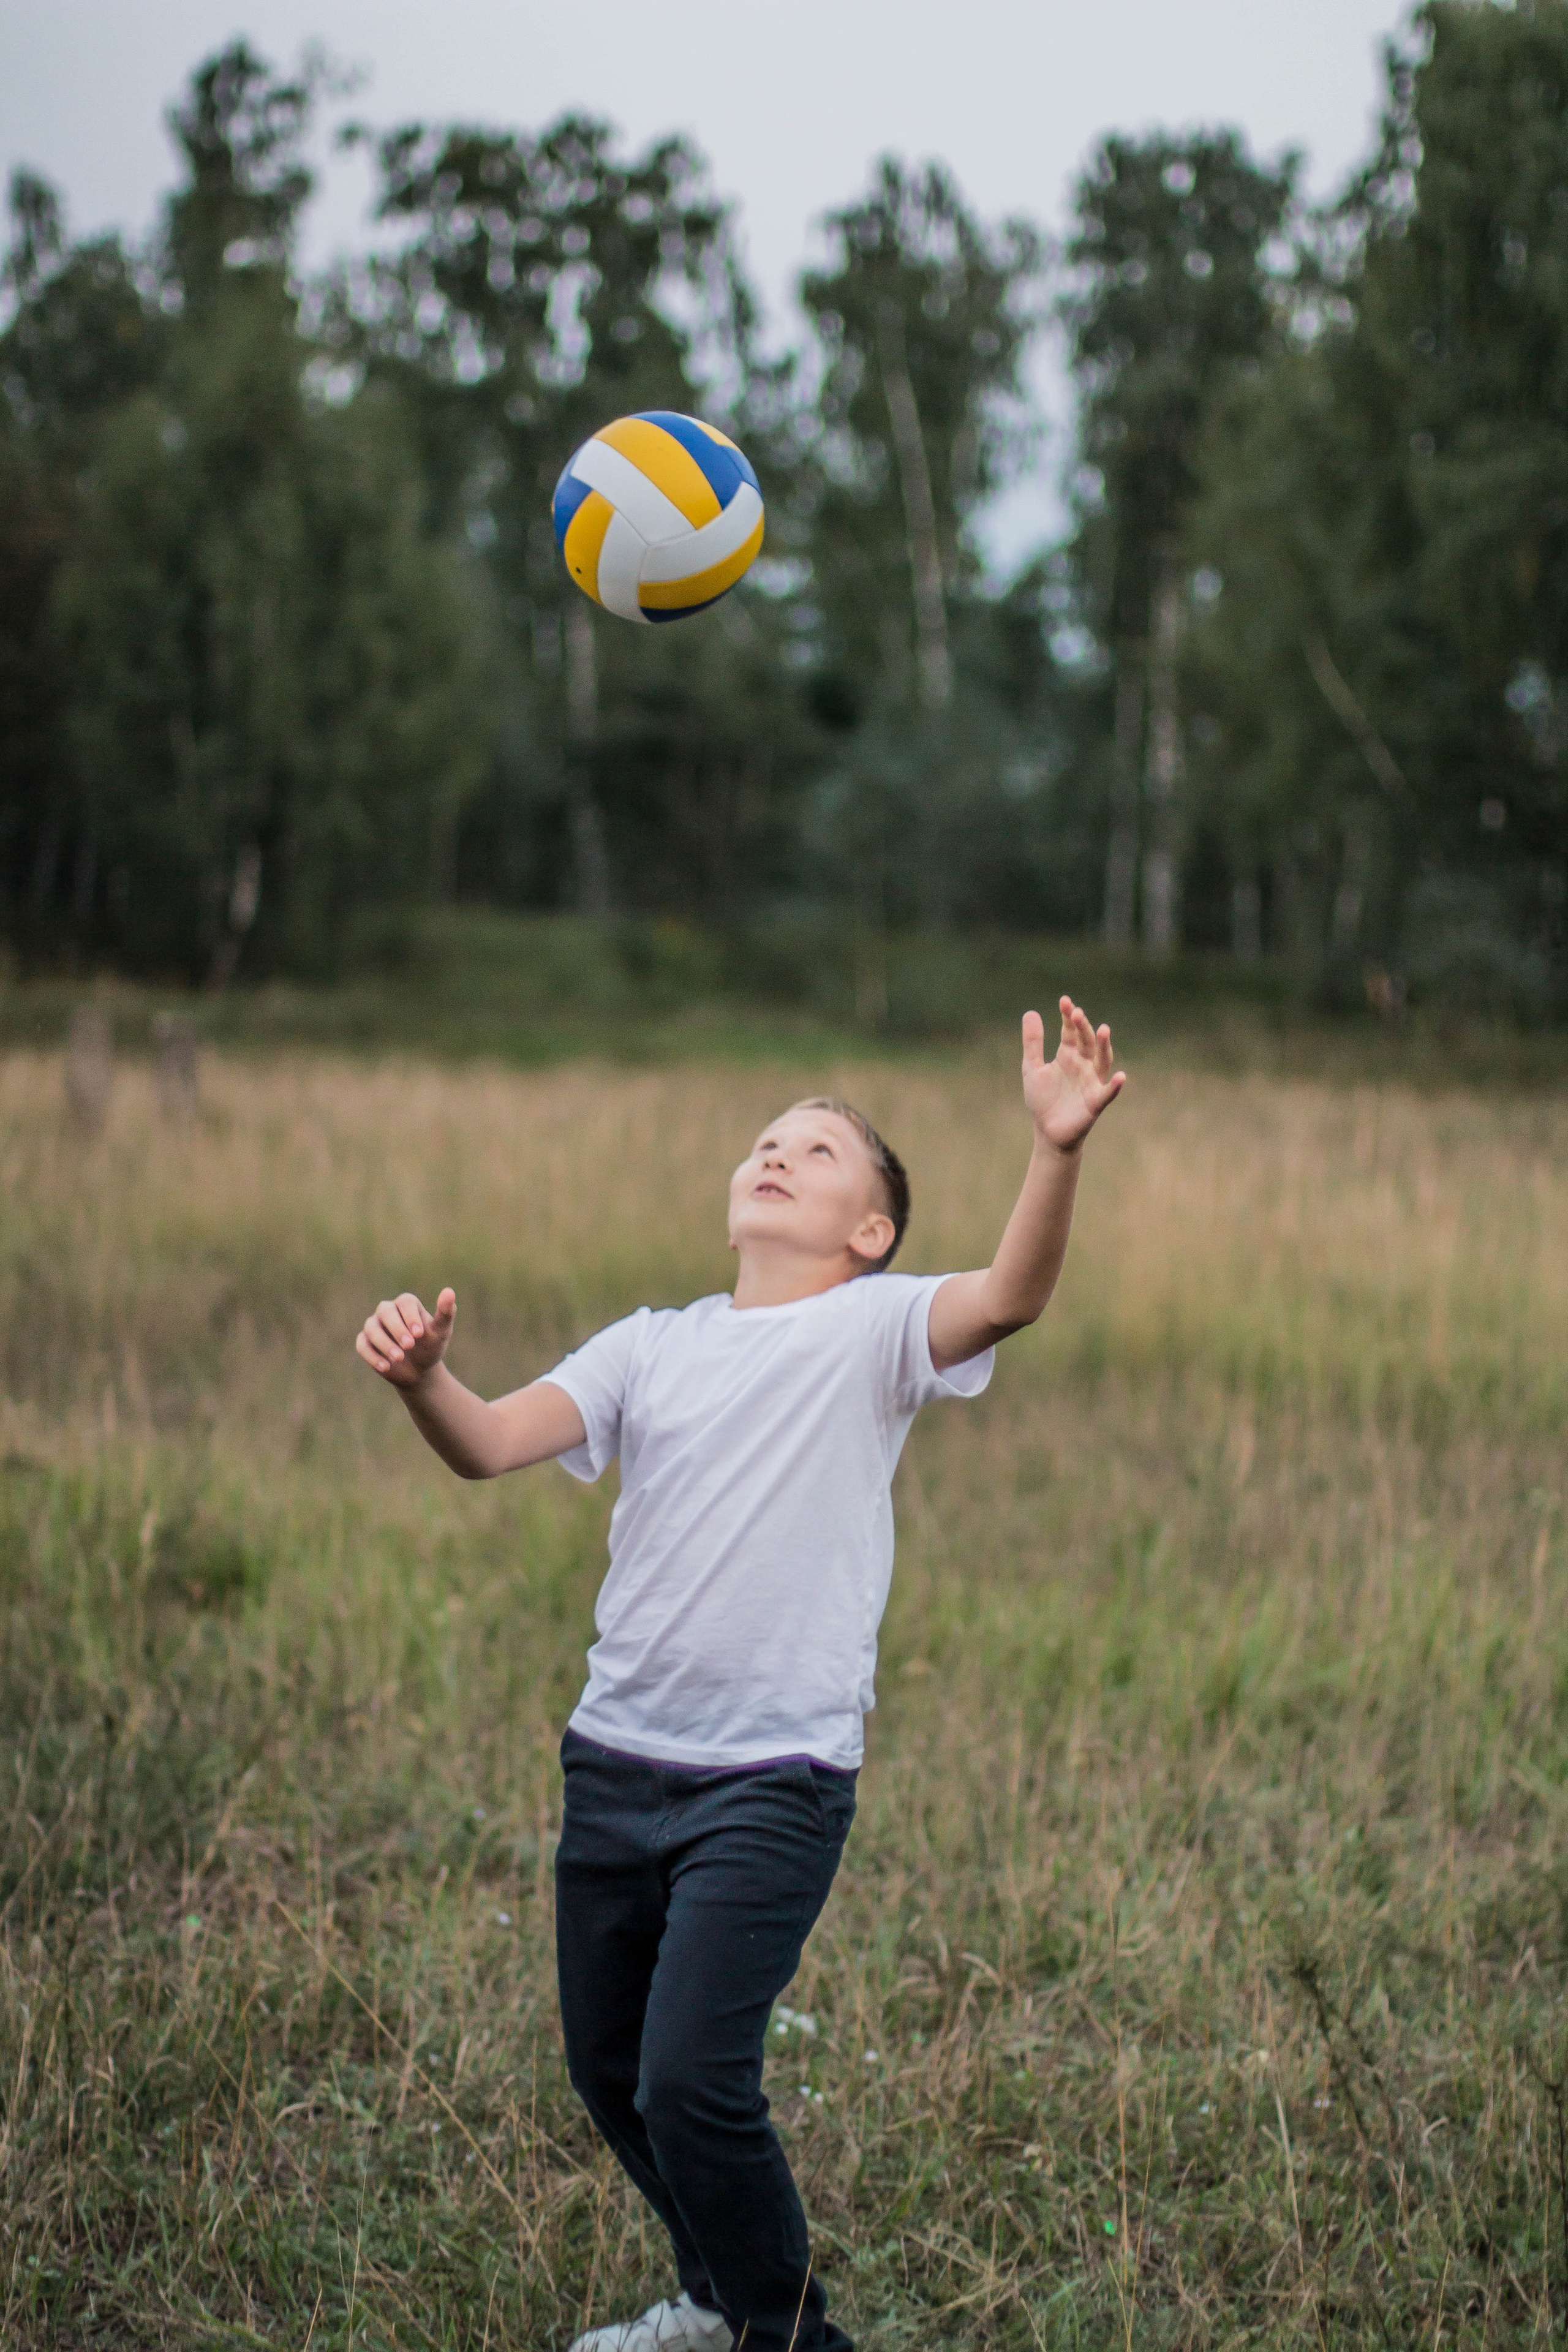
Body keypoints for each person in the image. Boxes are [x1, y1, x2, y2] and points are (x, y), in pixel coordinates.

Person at [356, 1000, 1125, 2352]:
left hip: (770, 1781)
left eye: (818, 1151)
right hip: (613, 1762)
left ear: (869, 1231)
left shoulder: (876, 1332)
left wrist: (1052, 1149)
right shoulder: (649, 1343)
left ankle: (786, 2335)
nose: (777, 1154)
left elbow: (1009, 1293)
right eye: (765, 1141)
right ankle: (716, 2302)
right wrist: (428, 1380)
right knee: (613, 2079)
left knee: (692, 2081)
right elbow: (483, 1444)